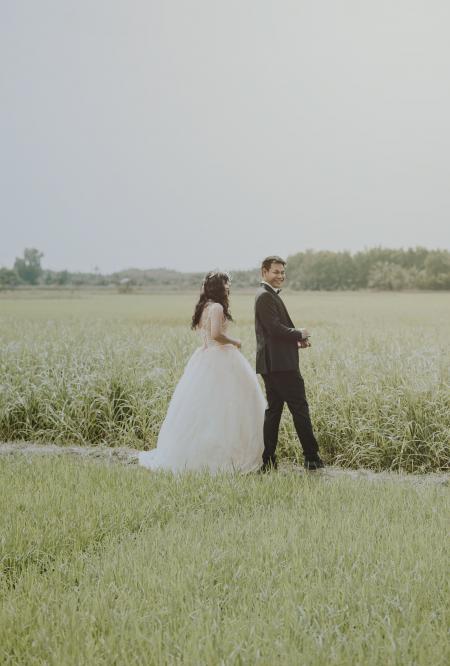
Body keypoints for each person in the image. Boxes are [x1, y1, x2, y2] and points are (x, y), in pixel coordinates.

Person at [139, 271, 265, 473]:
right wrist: (235, 342)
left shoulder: (204, 306)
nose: (229, 286)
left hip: (205, 356)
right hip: (220, 357)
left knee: (206, 409)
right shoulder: (216, 307)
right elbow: (216, 334)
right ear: (219, 286)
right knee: (227, 407)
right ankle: (226, 456)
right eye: (227, 282)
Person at [254, 256, 324, 471]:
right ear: (264, 272)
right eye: (276, 272)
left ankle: (268, 460)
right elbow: (275, 329)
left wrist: (297, 341)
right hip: (282, 366)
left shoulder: (266, 295)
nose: (280, 276)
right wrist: (299, 333)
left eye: (283, 272)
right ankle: (312, 458)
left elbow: (272, 334)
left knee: (273, 411)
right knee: (300, 409)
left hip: (273, 364)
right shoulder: (265, 296)